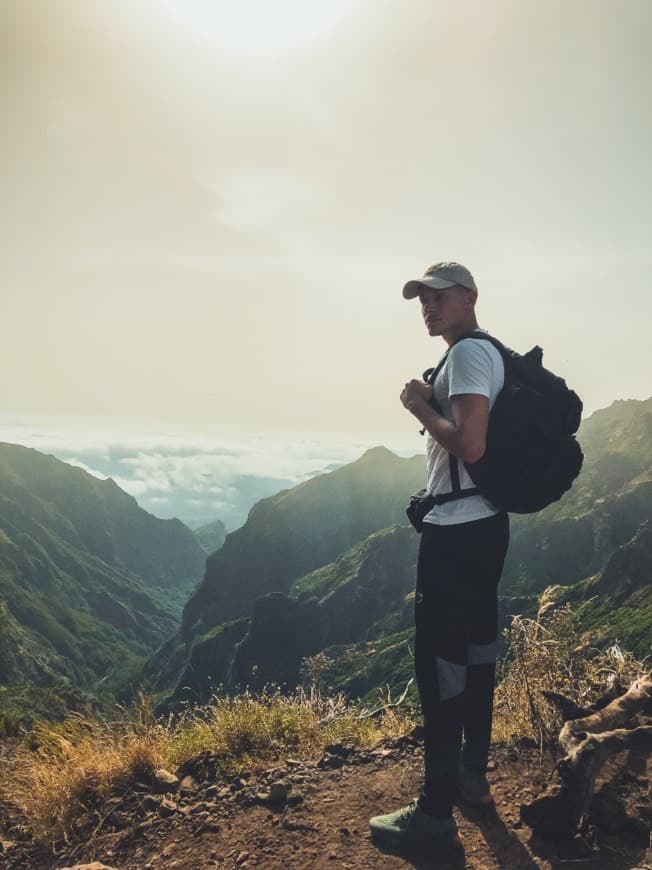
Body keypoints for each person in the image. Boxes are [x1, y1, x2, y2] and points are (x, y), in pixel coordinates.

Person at [369, 261, 510, 853]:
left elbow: (470, 442)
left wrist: (418, 405)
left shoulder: (471, 356)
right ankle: (472, 783)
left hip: (457, 536)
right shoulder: (480, 353)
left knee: (440, 668)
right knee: (476, 656)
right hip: (484, 525)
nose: (428, 306)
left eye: (439, 296)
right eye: (422, 299)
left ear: (470, 297)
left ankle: (433, 815)